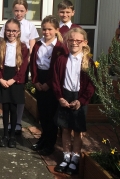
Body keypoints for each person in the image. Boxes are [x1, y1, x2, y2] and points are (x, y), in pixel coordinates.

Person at [51, 27, 95, 175]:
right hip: (65, 96)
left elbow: (91, 85)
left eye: (78, 40)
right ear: (67, 42)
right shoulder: (61, 59)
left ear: (85, 42)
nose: (74, 42)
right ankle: (66, 156)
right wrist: (60, 98)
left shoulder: (88, 61)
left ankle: (75, 158)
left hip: (79, 99)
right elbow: (55, 80)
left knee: (77, 131)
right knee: (65, 129)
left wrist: (81, 101)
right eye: (71, 40)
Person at [29, 15, 68, 156]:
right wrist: (35, 81)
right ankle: (43, 138)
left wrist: (49, 84)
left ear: (57, 30)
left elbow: (59, 70)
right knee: (43, 113)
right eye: (44, 29)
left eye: (50, 29)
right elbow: (33, 65)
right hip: (40, 79)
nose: (46, 32)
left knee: (51, 115)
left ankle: (50, 143)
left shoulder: (60, 47)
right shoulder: (38, 45)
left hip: (53, 82)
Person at [0, 0, 39, 134]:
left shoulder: (30, 26)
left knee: (19, 96)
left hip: (23, 64)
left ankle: (17, 122)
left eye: (22, 11)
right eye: (16, 10)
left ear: (26, 11)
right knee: (8, 96)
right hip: (8, 64)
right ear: (12, 10)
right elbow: (1, 44)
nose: (19, 13)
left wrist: (27, 63)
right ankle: (7, 123)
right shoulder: (7, 24)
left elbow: (32, 47)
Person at [0, 18, 29, 148]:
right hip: (4, 76)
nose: (11, 33)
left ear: (19, 32)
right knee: (5, 108)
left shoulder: (23, 47)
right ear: (5, 31)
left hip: (16, 79)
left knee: (14, 108)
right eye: (8, 30)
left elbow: (24, 67)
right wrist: (1, 78)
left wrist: (14, 79)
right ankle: (4, 135)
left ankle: (13, 135)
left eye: (14, 31)